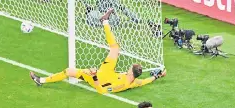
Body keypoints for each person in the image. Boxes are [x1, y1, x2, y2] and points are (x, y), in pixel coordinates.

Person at [29, 8, 166, 94]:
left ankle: (41, 80)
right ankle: (105, 21)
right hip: (108, 71)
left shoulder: (122, 85)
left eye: (130, 67)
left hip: (96, 77)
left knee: (69, 71)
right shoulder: (135, 81)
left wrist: (94, 75)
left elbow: (102, 91)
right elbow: (146, 81)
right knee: (115, 48)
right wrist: (158, 76)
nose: (128, 68)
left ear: (131, 72)